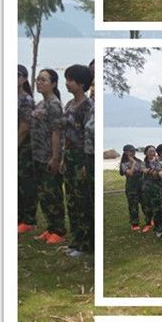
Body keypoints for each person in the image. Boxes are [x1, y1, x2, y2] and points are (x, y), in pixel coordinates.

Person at [29, 68, 67, 243]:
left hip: (49, 156)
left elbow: (56, 132)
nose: (39, 83)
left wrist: (55, 157)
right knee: (43, 194)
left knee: (52, 194)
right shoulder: (41, 103)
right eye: (38, 79)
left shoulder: (54, 104)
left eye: (43, 80)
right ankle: (50, 227)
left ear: (53, 84)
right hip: (37, 155)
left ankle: (59, 231)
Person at [62, 64, 94, 257]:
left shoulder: (87, 107)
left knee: (83, 202)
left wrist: (84, 163)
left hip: (81, 157)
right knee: (72, 200)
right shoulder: (68, 104)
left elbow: (86, 136)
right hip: (69, 156)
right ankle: (75, 240)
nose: (67, 83)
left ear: (81, 84)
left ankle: (86, 244)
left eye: (70, 80)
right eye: (66, 79)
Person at [17, 65, 37, 234]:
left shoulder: (25, 100)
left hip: (23, 147)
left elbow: (24, 127)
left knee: (25, 182)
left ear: (23, 79)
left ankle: (28, 219)